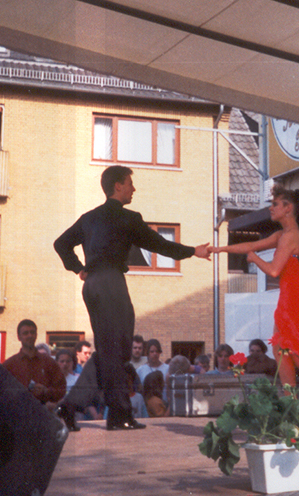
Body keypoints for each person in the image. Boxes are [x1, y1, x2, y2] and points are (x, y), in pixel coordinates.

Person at [54, 165, 213, 431]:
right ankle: (117, 414)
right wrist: (193, 251)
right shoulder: (128, 218)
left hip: (93, 285)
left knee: (109, 352)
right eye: (130, 183)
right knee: (117, 351)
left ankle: (76, 407)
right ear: (118, 186)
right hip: (111, 284)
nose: (133, 189)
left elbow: (61, 244)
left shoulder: (88, 218)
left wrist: (79, 268)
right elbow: (159, 244)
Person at [212, 185, 299, 389]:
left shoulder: (290, 237)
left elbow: (274, 270)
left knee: (290, 346)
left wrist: (255, 259)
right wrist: (220, 249)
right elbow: (251, 246)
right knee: (279, 347)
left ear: (288, 208)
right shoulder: (282, 235)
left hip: (296, 297)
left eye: (275, 204)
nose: (271, 208)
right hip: (290, 295)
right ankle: (292, 397)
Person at [3, 319, 67, 411]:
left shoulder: (49, 362)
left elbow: (62, 389)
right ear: (19, 337)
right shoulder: (9, 365)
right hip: (17, 413)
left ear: (36, 335)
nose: (30, 335)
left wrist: (46, 391)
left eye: (32, 332)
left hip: (43, 413)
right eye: (25, 333)